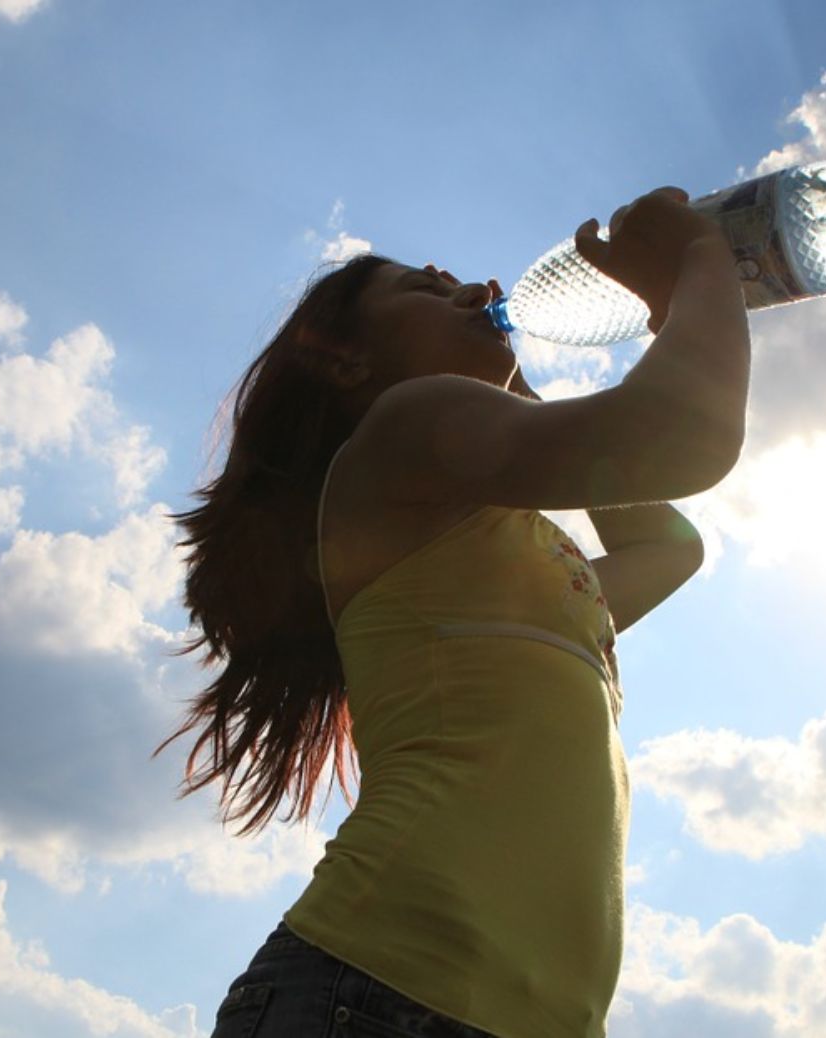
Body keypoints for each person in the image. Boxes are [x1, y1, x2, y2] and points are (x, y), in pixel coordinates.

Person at [164, 186, 751, 1038]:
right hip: (378, 990)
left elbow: (671, 546)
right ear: (346, 361)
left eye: (464, 287)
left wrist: (534, 376)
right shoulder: (406, 427)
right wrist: (703, 257)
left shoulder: (519, 562)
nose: (473, 288)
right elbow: (680, 439)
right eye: (425, 291)